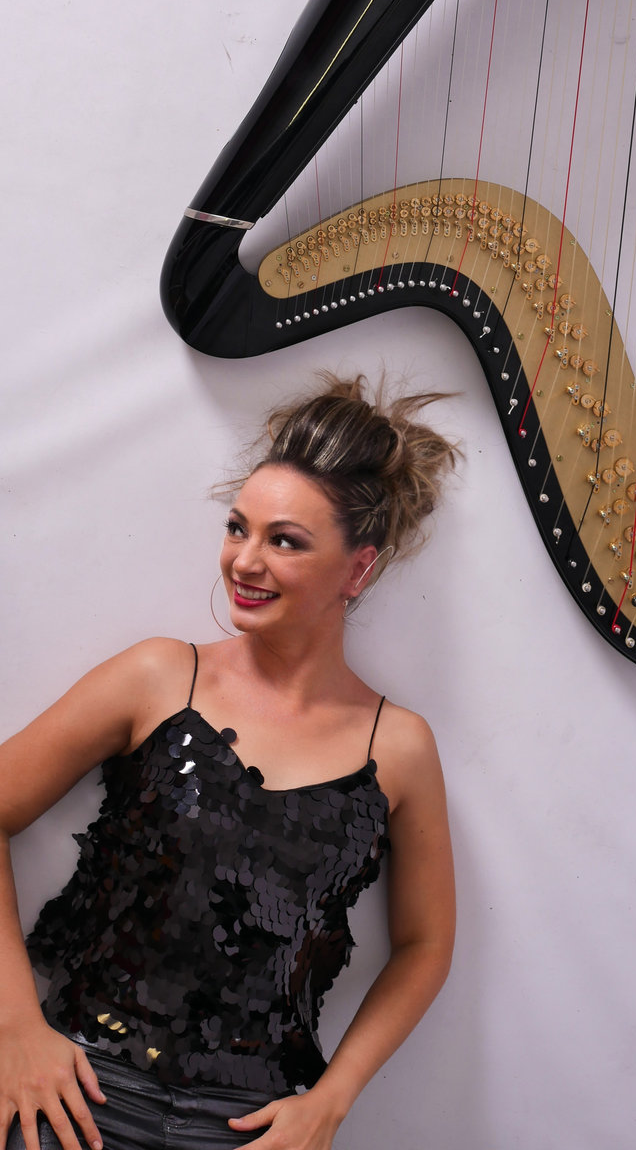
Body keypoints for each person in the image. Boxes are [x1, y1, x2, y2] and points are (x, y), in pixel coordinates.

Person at [0, 375, 457, 1150]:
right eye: (237, 528)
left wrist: (331, 1101)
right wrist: (15, 1028)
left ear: (357, 570)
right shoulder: (157, 677)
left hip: (247, 1127)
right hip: (77, 1097)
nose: (244, 561)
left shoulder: (399, 747)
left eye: (285, 541)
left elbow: (426, 946)